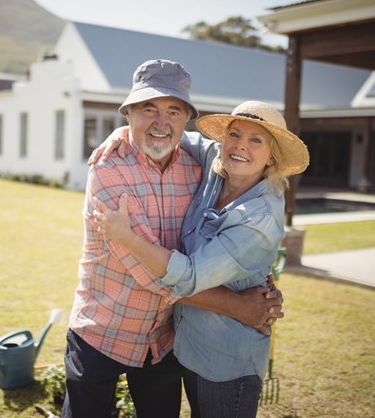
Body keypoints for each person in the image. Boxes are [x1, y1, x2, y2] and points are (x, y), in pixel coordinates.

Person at [62, 60, 284, 418]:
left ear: (185, 119)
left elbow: (190, 269)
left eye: (173, 111)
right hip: (105, 330)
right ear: (129, 114)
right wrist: (238, 306)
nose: (161, 122)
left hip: (163, 340)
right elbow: (154, 275)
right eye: (148, 109)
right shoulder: (108, 172)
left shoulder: (198, 168)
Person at [93, 100, 310, 417]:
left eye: (256, 140)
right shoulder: (217, 164)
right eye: (234, 135)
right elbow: (167, 132)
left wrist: (125, 237)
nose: (240, 146)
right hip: (190, 345)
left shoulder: (259, 217)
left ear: (272, 156)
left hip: (227, 359)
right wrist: (124, 131)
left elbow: (190, 276)